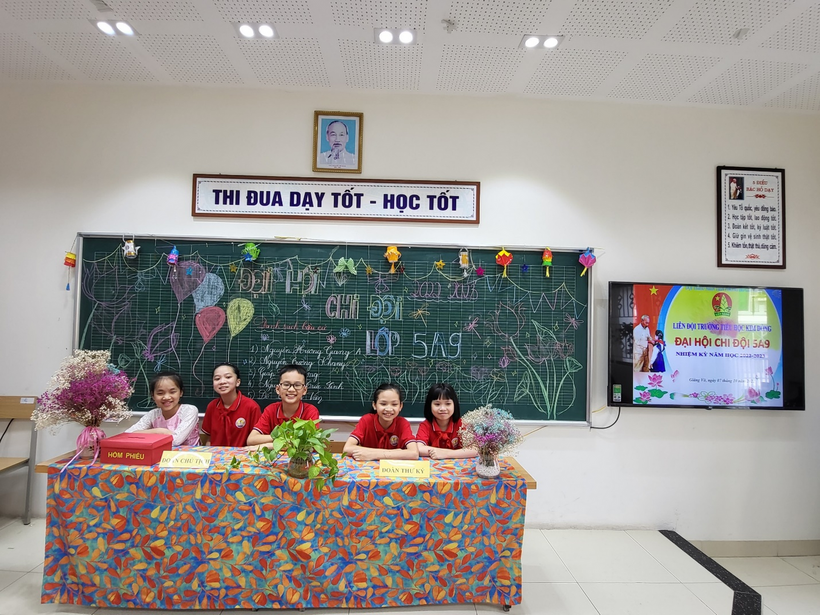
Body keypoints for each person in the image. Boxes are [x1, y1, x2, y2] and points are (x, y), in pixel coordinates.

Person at [247, 364, 319, 446]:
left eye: (297, 385)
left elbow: (307, 444)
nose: (291, 389)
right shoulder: (271, 410)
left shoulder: (310, 411)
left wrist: (270, 445)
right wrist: (283, 439)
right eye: (286, 384)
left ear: (304, 390)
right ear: (278, 389)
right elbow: (251, 440)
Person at [344, 383, 419, 461]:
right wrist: (396, 453)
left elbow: (414, 453)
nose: (389, 409)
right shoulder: (366, 421)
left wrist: (373, 455)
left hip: (392, 469)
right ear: (374, 405)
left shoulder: (403, 423)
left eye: (394, 404)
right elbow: (347, 449)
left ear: (400, 406)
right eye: (383, 404)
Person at [125, 371, 199, 446]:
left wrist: (152, 433)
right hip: (162, 455)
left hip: (191, 456)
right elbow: (126, 435)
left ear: (181, 393)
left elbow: (175, 441)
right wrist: (160, 431)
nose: (166, 397)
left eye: (172, 392)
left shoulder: (189, 410)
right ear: (153, 395)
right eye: (160, 393)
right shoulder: (153, 414)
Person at [201, 363, 261, 447]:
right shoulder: (212, 406)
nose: (222, 382)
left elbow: (256, 439)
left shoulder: (251, 407)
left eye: (228, 377)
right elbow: (209, 438)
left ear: (237, 382)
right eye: (217, 378)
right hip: (217, 456)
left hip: (242, 456)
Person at [416, 383, 477, 460]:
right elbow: (419, 448)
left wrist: (446, 454)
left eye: (448, 404)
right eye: (437, 404)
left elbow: (475, 449)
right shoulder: (425, 425)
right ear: (429, 406)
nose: (442, 408)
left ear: (454, 405)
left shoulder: (461, 424)